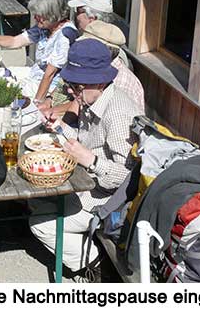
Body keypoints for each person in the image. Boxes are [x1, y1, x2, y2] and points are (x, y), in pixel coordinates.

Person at [29, 39, 139, 282]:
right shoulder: (93, 98)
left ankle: (96, 265)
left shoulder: (118, 113)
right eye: (70, 84)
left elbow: (127, 178)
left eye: (76, 87)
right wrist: (59, 128)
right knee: (36, 201)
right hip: (89, 185)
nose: (70, 92)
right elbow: (81, 142)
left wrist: (90, 160)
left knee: (40, 224)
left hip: (109, 202)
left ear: (99, 81)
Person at [0, 0, 78, 105]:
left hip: (44, 85)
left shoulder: (65, 35)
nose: (35, 18)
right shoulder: (45, 27)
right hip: (34, 74)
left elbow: (49, 75)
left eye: (39, 15)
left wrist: (37, 103)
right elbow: (15, 41)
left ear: (51, 15)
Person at [40, 20, 145, 123]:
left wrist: (53, 113)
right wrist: (49, 100)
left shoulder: (120, 81)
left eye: (88, 44)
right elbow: (66, 85)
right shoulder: (88, 67)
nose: (82, 46)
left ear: (103, 50)